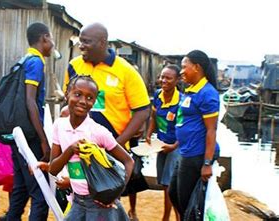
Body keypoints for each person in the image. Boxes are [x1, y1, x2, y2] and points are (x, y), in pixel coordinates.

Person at [63, 23, 150, 220]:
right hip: (80, 147)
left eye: (86, 41)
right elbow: (67, 101)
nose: (81, 46)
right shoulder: (74, 65)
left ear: (102, 43)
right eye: (80, 41)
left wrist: (116, 144)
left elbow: (142, 110)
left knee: (106, 198)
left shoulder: (126, 71)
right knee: (81, 195)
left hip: (110, 150)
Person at [49, 75, 134, 220]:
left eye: (89, 98)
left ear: (94, 101)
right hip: (77, 201)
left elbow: (128, 161)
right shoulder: (59, 126)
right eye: (77, 94)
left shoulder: (98, 131)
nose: (83, 101)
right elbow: (53, 169)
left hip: (98, 203)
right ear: (67, 93)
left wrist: (114, 194)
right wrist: (70, 150)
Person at [5, 22, 54, 221]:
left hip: (19, 134)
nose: (52, 44)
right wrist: (43, 138)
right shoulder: (36, 62)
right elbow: (30, 101)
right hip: (30, 135)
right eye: (51, 39)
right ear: (44, 38)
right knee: (40, 192)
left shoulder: (23, 60)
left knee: (21, 187)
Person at [168, 50, 220, 219]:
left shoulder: (207, 93)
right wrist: (176, 144)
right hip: (184, 151)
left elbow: (212, 130)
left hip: (196, 154)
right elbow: (185, 122)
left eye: (184, 67)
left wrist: (207, 163)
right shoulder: (191, 90)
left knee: (186, 201)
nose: (181, 71)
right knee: (173, 193)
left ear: (197, 67)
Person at [146, 64, 182, 221]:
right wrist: (149, 134)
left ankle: (168, 217)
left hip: (176, 146)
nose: (163, 80)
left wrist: (174, 146)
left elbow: (186, 129)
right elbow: (153, 118)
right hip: (161, 145)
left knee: (170, 185)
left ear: (177, 80)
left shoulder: (182, 101)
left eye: (168, 78)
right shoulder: (158, 95)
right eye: (162, 77)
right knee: (163, 182)